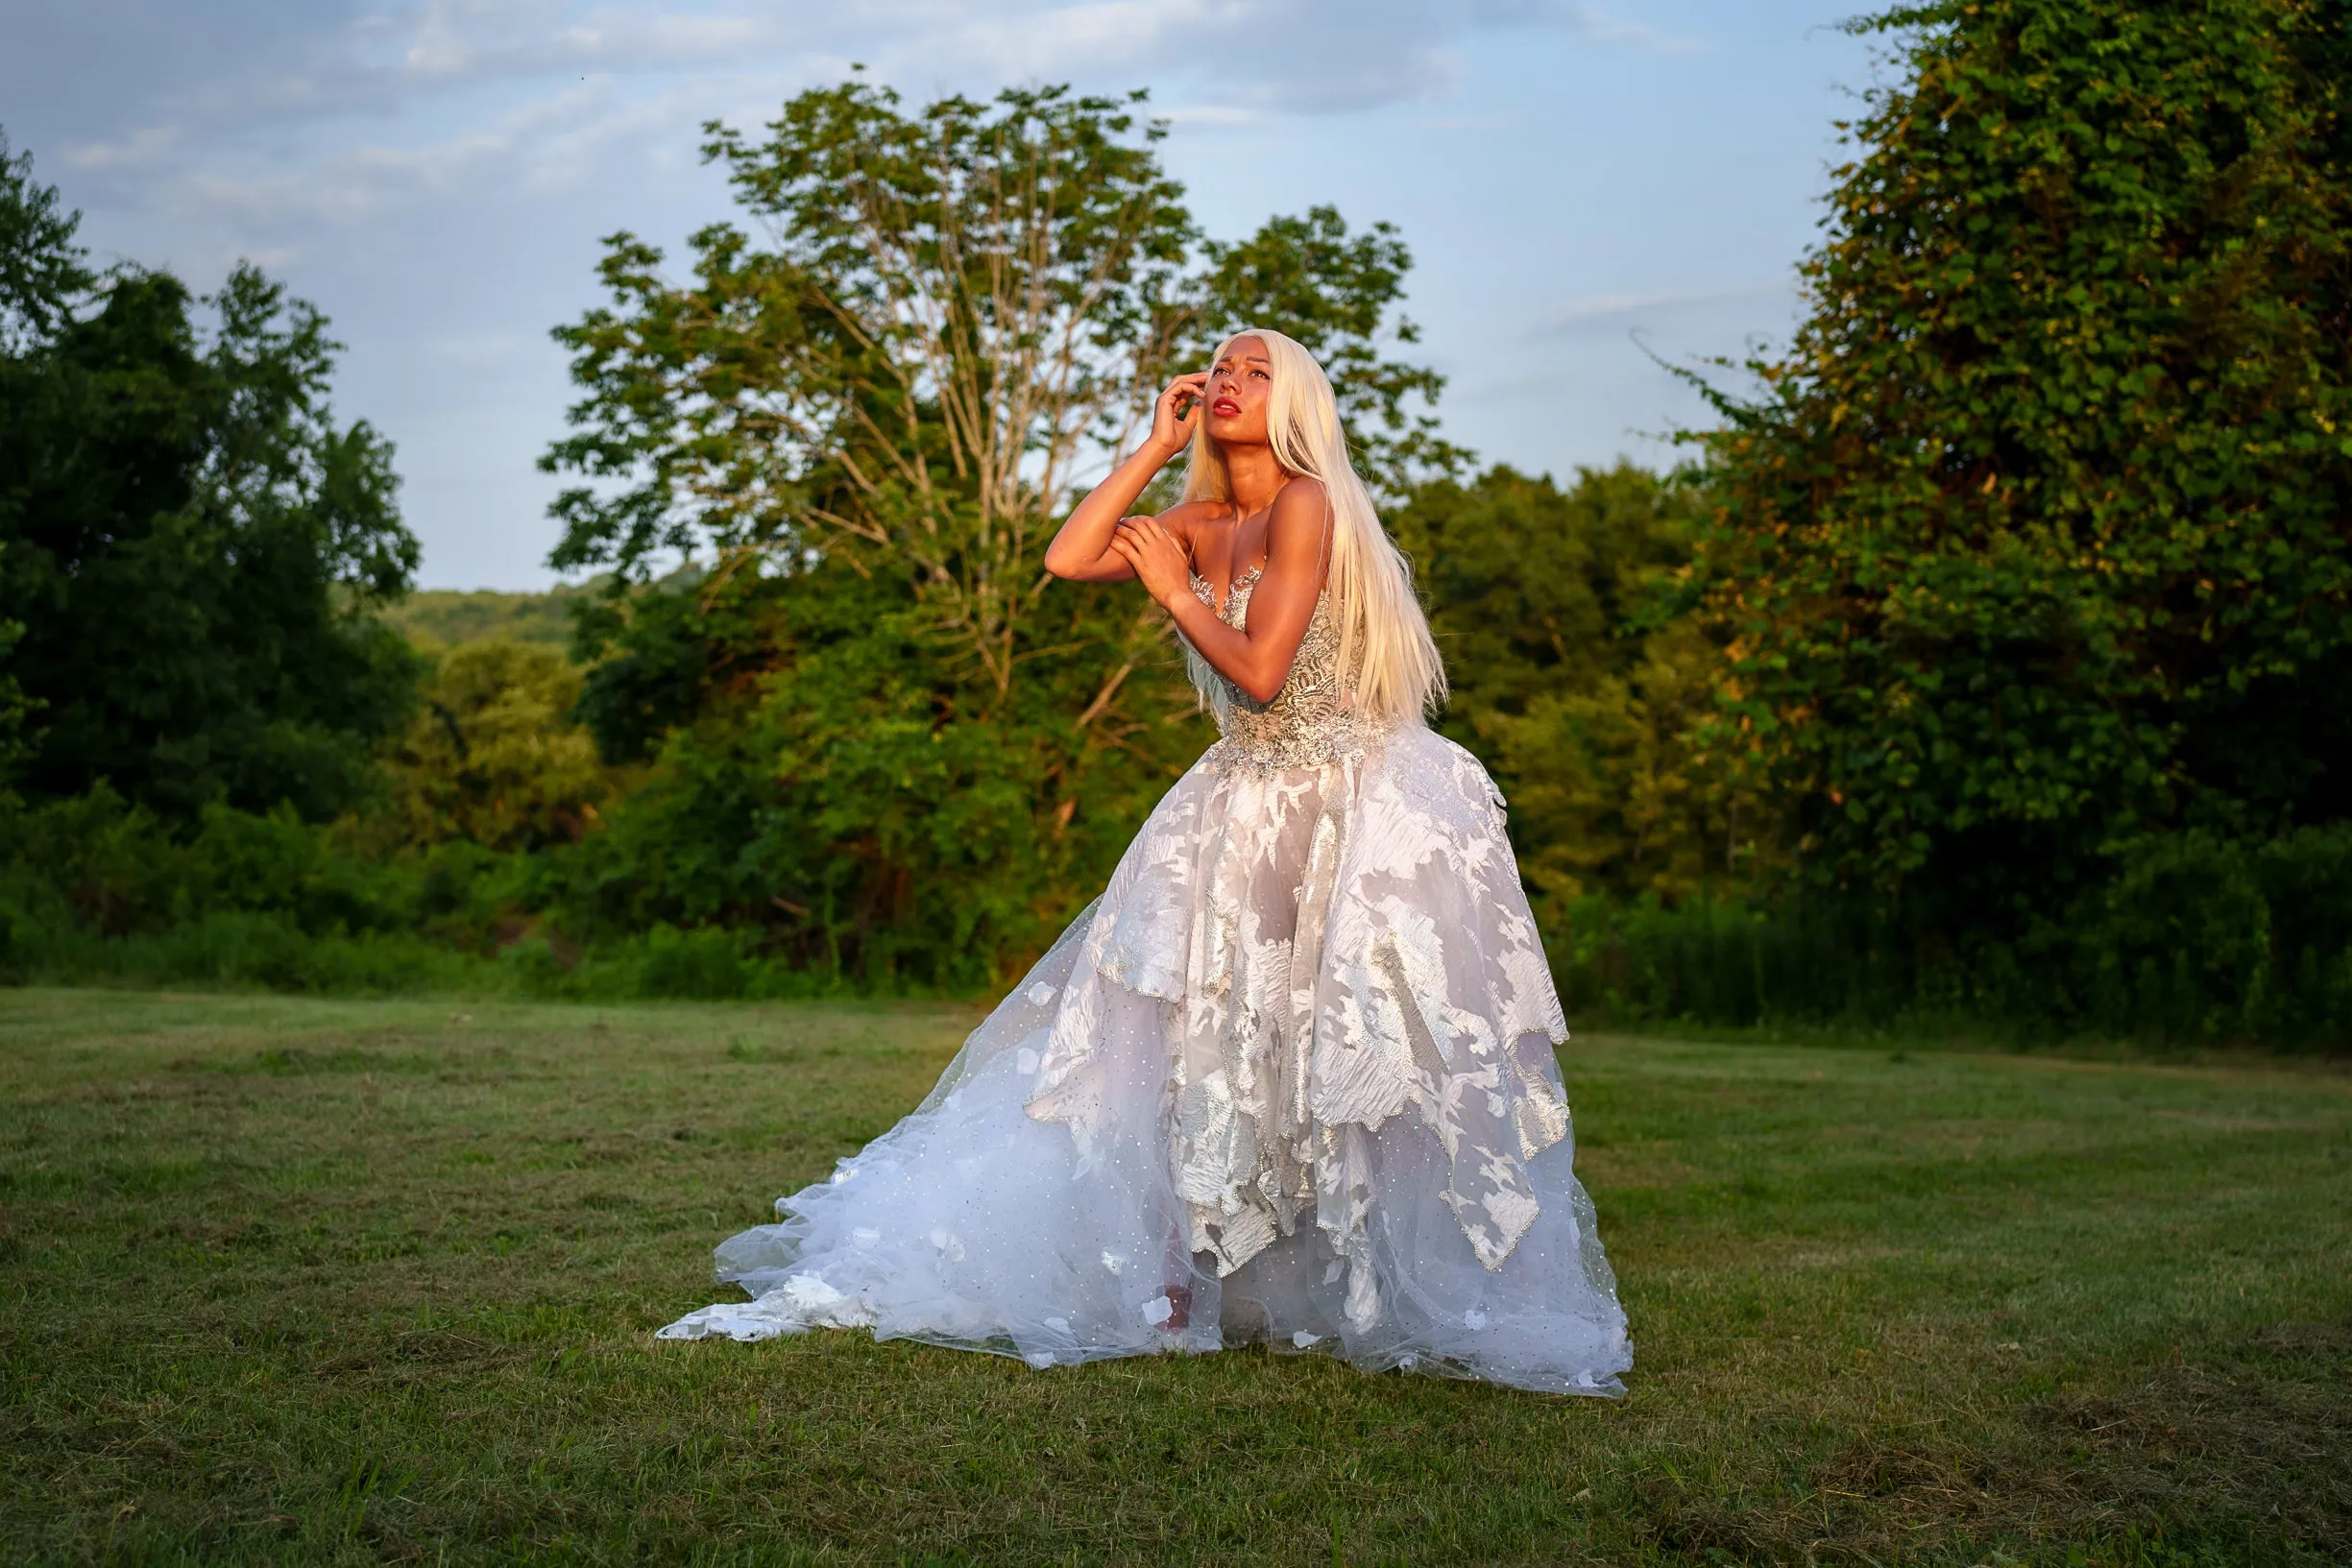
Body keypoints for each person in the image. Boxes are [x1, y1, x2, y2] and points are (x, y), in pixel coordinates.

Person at [658, 328, 1633, 1396]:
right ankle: (1179, 1283)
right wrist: (1151, 449)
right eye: (1218, 369)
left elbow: (1262, 672)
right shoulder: (1198, 515)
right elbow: (1068, 556)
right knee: (1190, 1035)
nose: (1227, 382)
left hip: (1357, 802)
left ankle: (1389, 1278)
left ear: (1296, 401)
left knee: (1358, 1047)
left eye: (1255, 373)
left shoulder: (1306, 502)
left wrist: (1175, 593)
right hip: (1242, 801)